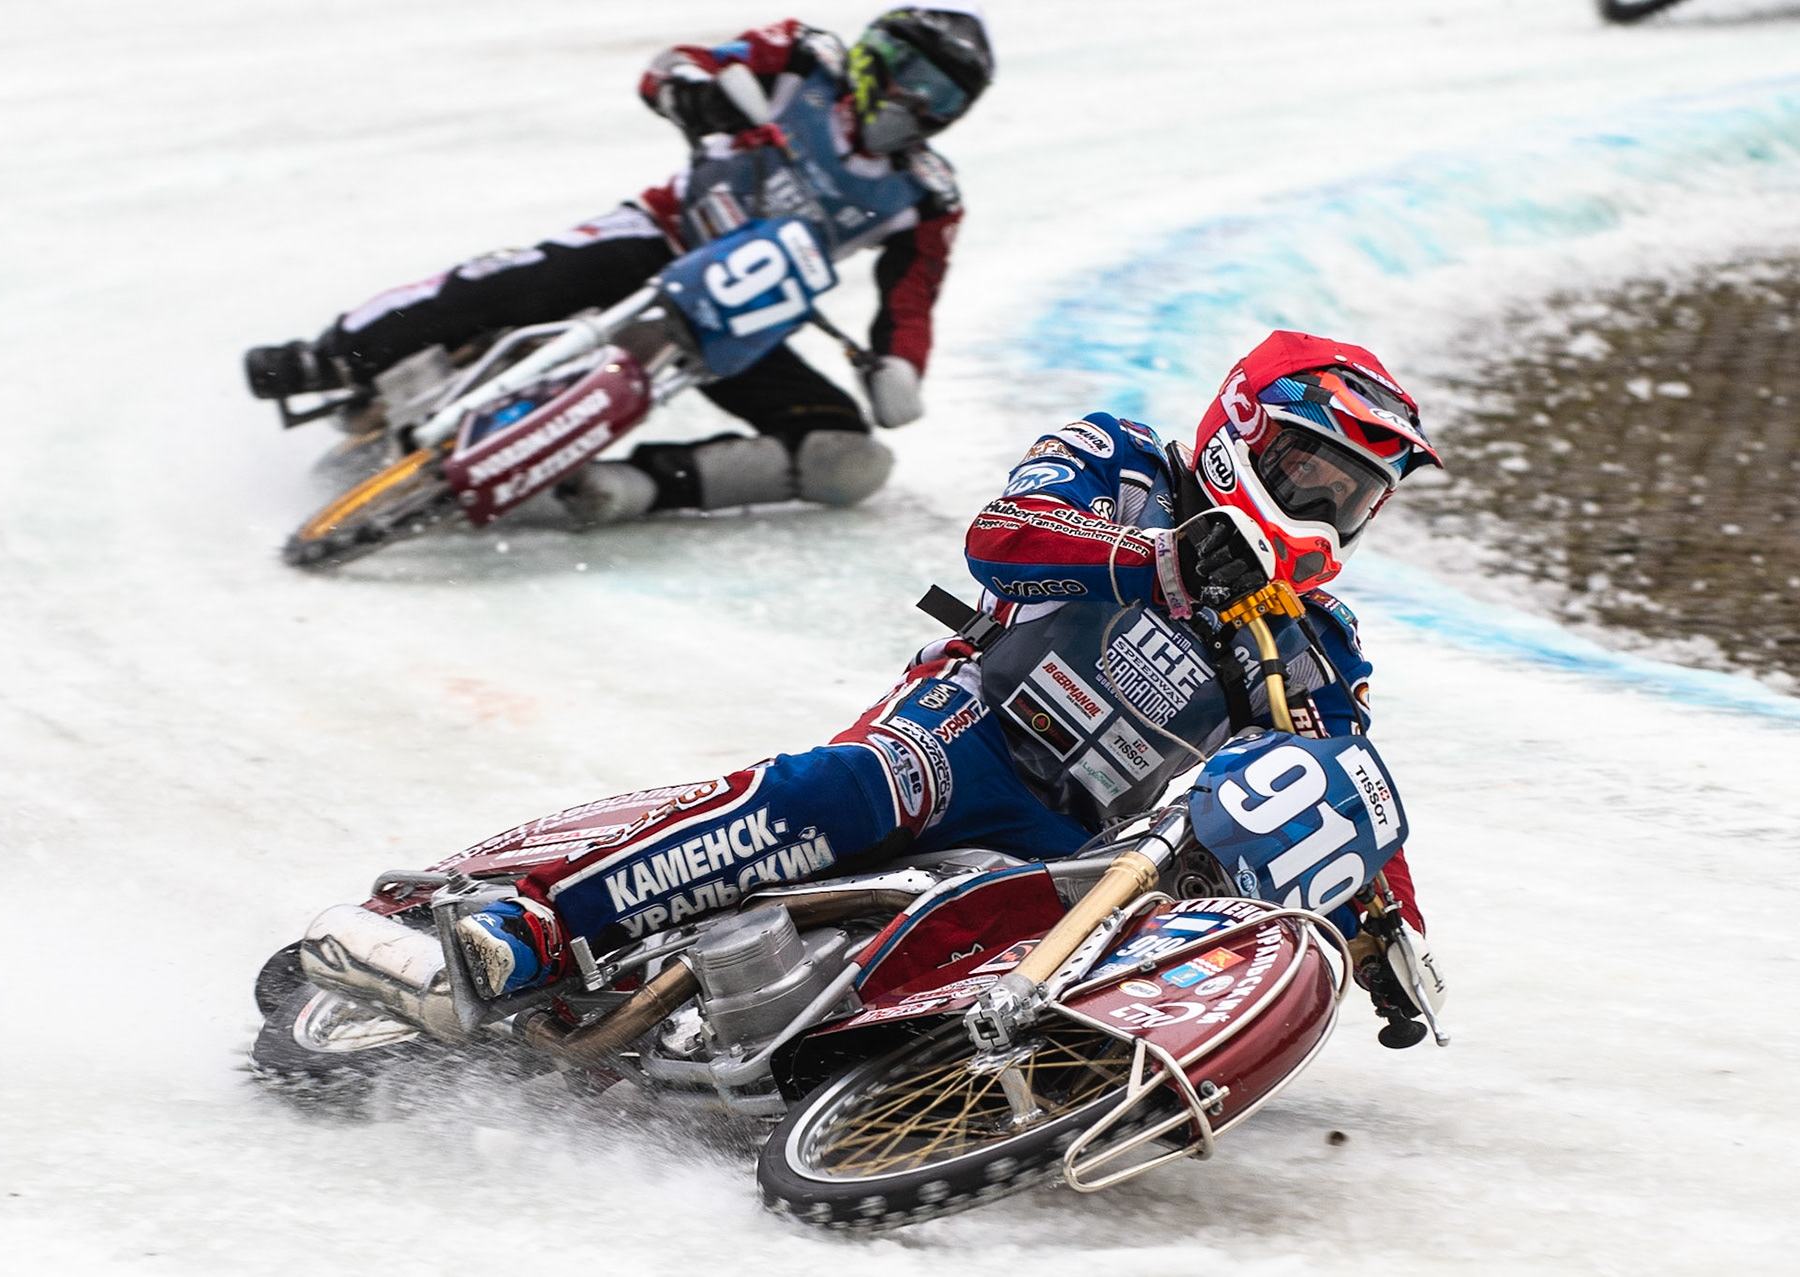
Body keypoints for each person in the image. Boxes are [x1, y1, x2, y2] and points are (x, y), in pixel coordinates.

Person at [449, 330, 1446, 1044]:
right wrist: (1160, 560)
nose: (1321, 503)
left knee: (1079, 961)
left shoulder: (1310, 636)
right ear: (1244, 427)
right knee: (835, 793)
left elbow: (1336, 786)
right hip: (967, 728)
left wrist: (1391, 932)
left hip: (1082, 835)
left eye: (1350, 493)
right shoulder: (1123, 459)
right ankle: (534, 923)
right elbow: (1004, 539)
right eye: (1309, 468)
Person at [244, 7, 993, 525]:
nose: (909, 98)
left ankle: (632, 486)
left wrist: (898, 365)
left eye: (938, 93)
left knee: (843, 453)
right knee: (518, 280)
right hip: (662, 237)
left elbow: (911, 300)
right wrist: (697, 95)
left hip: (742, 319)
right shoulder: (804, 58)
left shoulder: (926, 195)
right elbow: (675, 66)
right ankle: (334, 355)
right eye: (904, 69)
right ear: (871, 52)